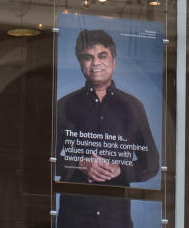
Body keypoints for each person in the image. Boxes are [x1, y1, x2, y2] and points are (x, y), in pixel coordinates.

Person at [56, 29, 159, 227]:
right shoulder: (64, 105)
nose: (95, 63)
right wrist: (80, 163)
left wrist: (119, 170)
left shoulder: (133, 106)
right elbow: (47, 159)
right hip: (74, 217)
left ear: (114, 61)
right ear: (80, 63)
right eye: (88, 57)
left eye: (102, 56)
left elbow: (152, 164)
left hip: (116, 218)